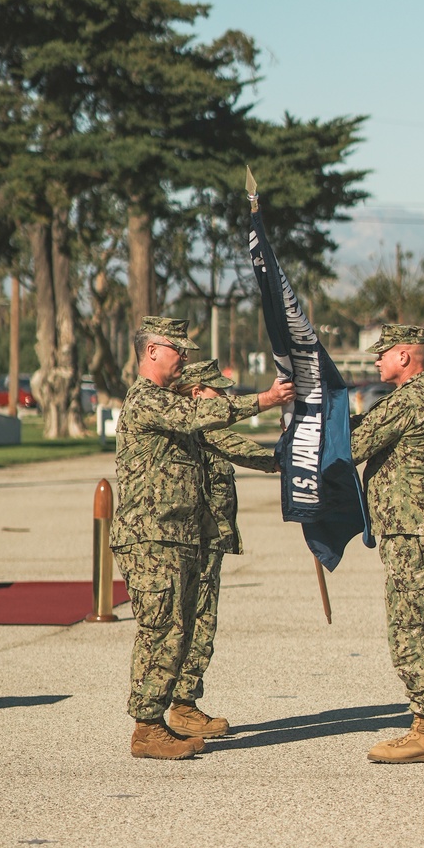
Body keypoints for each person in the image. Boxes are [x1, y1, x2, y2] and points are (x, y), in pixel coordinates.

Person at [111, 317, 294, 760]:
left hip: (174, 537)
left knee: (176, 628)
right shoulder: (147, 401)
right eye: (179, 349)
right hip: (151, 538)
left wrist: (282, 459)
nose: (186, 357)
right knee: (161, 630)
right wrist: (267, 399)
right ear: (152, 351)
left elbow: (223, 441)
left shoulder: (165, 406)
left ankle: (158, 718)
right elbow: (200, 414)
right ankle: (148, 725)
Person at [349, 323, 424, 764]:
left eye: (383, 353)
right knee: (414, 621)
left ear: (405, 357)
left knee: (415, 626)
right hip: (412, 528)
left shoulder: (411, 399)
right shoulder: (420, 398)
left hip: (414, 531)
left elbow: (353, 445)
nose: (376, 360)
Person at [172, 358, 279, 726]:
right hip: (197, 539)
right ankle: (182, 704)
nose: (224, 395)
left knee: (201, 619)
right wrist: (284, 459)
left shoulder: (199, 423)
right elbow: (242, 449)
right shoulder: (199, 425)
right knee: (197, 620)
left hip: (208, 537)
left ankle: (184, 701)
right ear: (198, 393)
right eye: (218, 390)